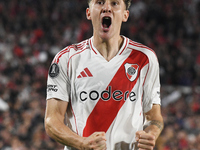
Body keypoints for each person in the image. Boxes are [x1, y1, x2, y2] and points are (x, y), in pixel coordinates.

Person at [44, 0, 164, 149]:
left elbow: (154, 117)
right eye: (100, 2)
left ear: (125, 15)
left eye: (114, 3)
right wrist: (81, 143)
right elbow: (52, 121)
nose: (106, 7)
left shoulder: (145, 58)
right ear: (88, 12)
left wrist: (151, 133)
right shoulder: (66, 59)